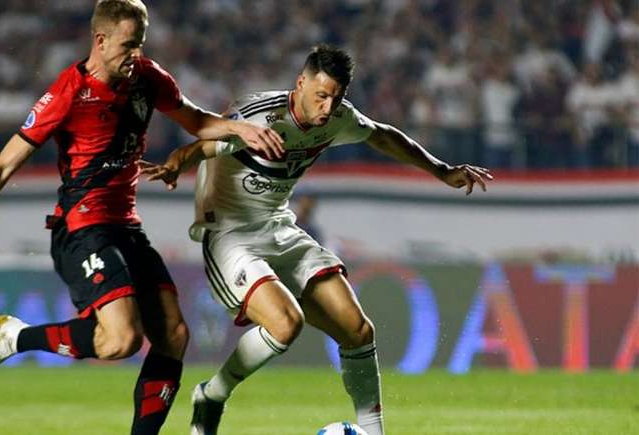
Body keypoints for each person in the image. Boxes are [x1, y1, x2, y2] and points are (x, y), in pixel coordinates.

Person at [0, 1, 283, 434]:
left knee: (174, 335)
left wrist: (241, 128)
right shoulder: (68, 92)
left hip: (125, 225)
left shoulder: (147, 77)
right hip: (80, 227)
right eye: (128, 46)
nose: (135, 55)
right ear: (100, 40)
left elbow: (196, 120)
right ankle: (15, 337)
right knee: (121, 340)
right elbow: (2, 166)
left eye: (140, 45)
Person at [142, 44, 493, 435]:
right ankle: (212, 395)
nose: (327, 107)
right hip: (230, 234)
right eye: (320, 95)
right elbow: (203, 145)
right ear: (301, 83)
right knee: (284, 324)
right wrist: (177, 164)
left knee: (358, 331)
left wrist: (441, 170)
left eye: (335, 98)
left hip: (280, 227)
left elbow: (382, 136)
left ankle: (373, 431)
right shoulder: (261, 116)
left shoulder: (338, 118)